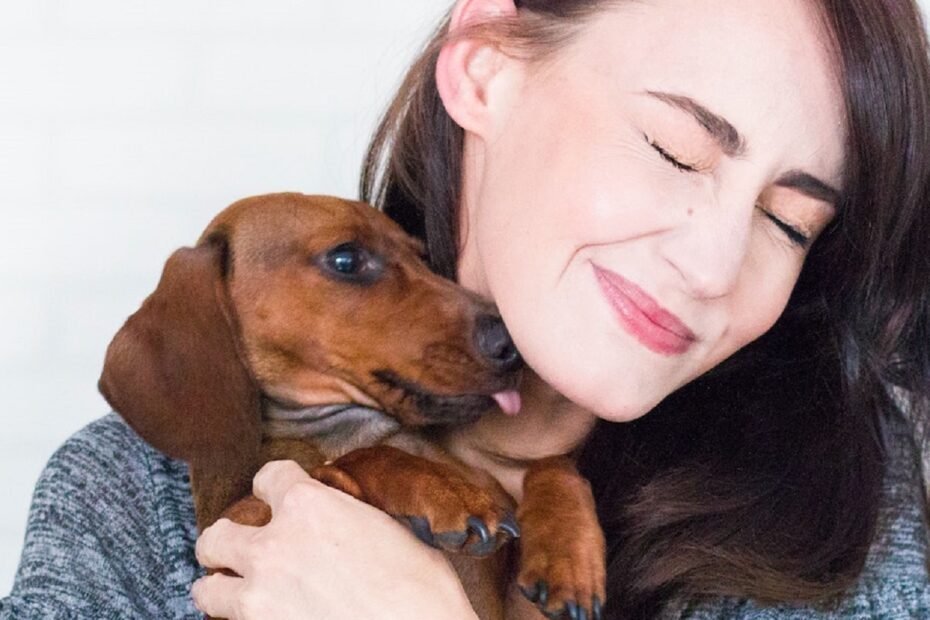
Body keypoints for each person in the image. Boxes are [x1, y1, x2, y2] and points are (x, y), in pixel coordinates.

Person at [3, 0, 930, 618]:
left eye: (788, 221)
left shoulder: (843, 504)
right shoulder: (127, 504)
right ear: (485, 70)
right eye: (676, 149)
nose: (713, 265)